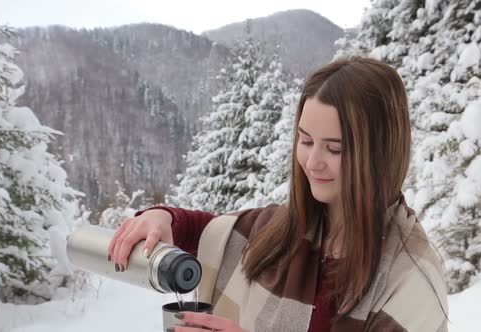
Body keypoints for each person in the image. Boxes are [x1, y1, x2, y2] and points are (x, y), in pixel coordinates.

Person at [108, 56, 449, 332]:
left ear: (381, 152)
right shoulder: (281, 228)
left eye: (335, 148)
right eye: (305, 140)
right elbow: (213, 234)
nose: (312, 162)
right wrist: (162, 218)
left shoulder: (410, 279)